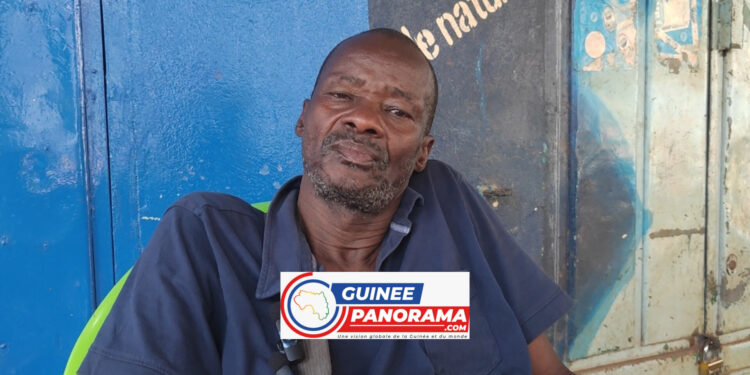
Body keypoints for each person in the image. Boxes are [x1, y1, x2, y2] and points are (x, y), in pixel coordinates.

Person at [79, 28, 573, 375]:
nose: (363, 119)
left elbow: (545, 367)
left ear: (422, 153)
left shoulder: (447, 207)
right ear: (304, 120)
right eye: (341, 96)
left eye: (397, 110)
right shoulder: (206, 239)